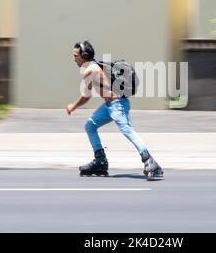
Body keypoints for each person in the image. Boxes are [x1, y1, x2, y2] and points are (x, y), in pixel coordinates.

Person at [66, 41, 164, 180]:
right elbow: (87, 95)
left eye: (76, 55)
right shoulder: (95, 67)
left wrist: (73, 106)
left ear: (84, 55)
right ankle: (100, 161)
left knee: (127, 130)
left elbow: (86, 95)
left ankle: (150, 162)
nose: (74, 58)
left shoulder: (91, 70)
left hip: (117, 105)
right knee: (90, 125)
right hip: (109, 106)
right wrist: (74, 106)